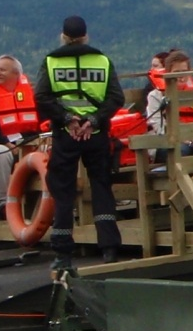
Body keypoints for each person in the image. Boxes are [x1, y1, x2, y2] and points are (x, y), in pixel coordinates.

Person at [37, 15, 126, 269]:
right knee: (101, 186)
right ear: (86, 36)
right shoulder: (102, 61)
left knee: (63, 191)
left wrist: (68, 119)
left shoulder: (51, 62)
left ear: (63, 36)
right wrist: (93, 120)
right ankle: (109, 247)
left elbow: (42, 96)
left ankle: (63, 254)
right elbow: (116, 97)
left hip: (66, 135)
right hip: (95, 135)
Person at [0, 53, 44, 202]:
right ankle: (4, 203)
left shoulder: (33, 97)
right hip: (3, 146)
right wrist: (7, 144)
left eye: (2, 70)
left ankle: (48, 202)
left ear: (16, 73)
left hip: (32, 143)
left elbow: (43, 122)